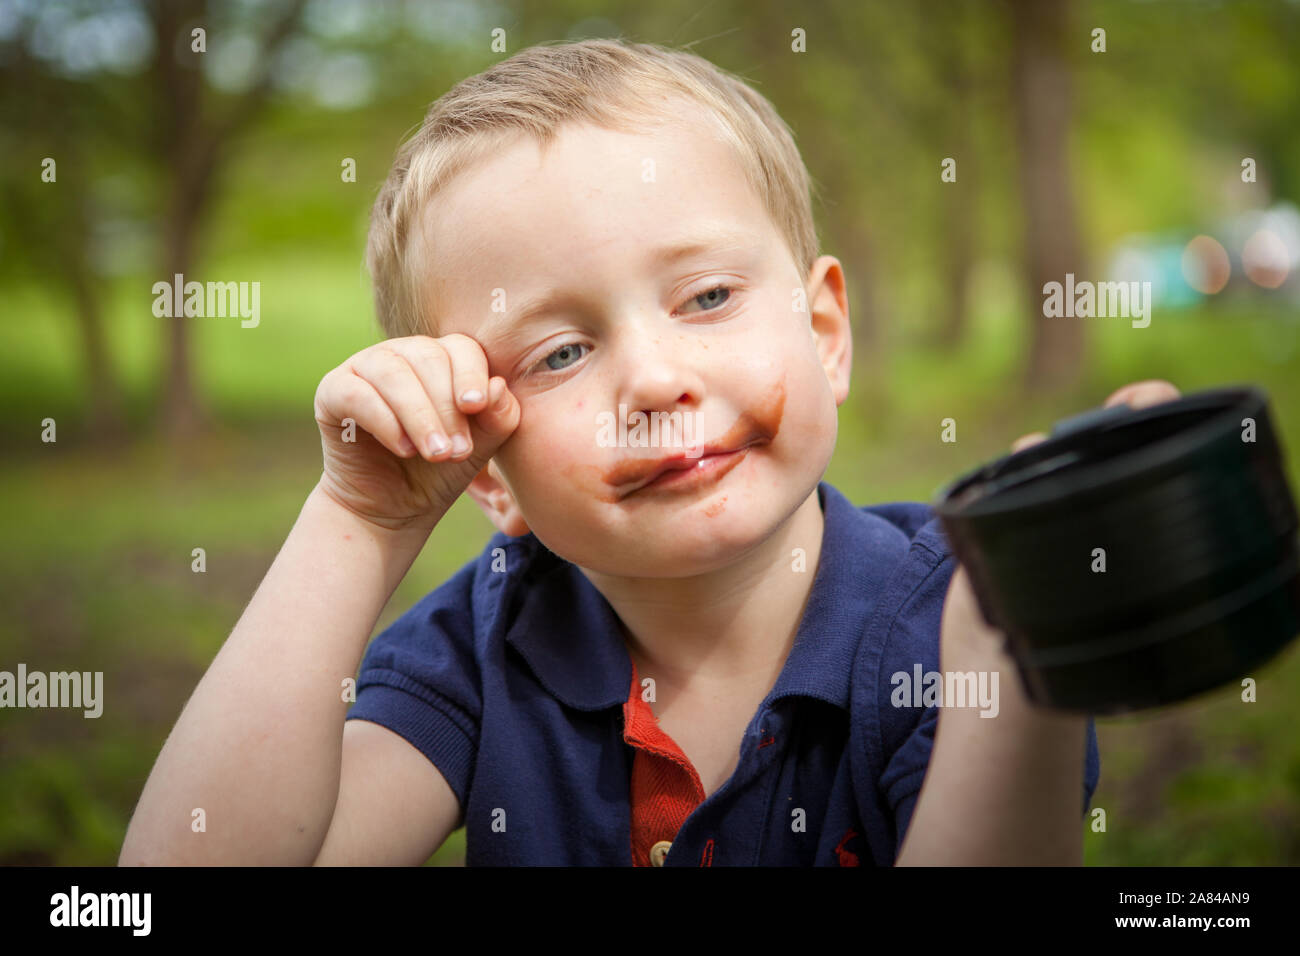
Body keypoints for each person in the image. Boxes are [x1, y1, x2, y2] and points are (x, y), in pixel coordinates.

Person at [120, 38, 1179, 867]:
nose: (655, 380)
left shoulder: (955, 620)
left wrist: (1017, 646)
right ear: (487, 469)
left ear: (824, 334)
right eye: (562, 350)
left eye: (708, 296)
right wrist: (360, 520)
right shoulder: (481, 652)